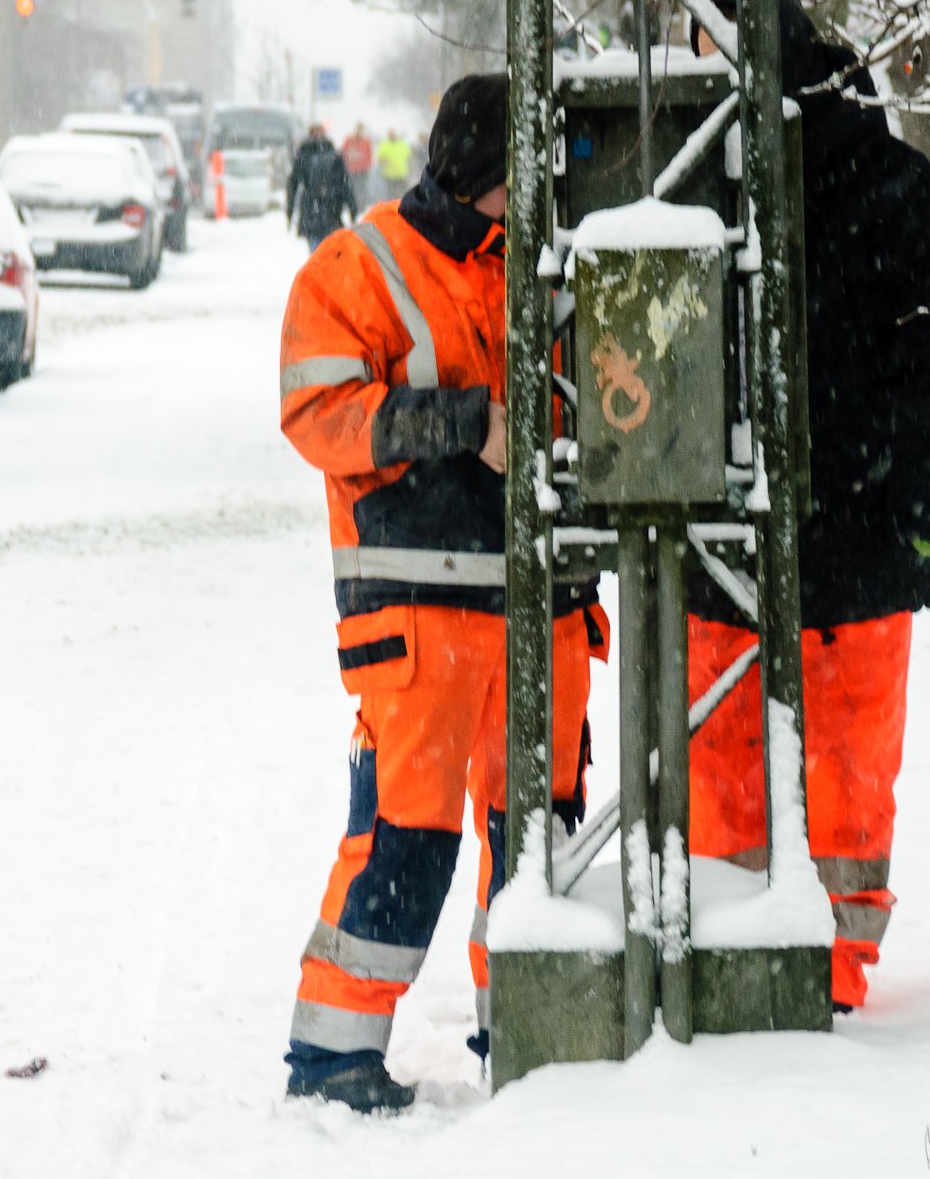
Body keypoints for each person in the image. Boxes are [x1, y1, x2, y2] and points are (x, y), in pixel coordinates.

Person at [277, 75, 605, 1112]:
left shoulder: (547, 272)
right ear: (489, 177)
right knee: (406, 841)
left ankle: (526, 1031)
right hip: (417, 612)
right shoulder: (360, 267)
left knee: (537, 842)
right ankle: (333, 1057)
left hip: (536, 608)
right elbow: (316, 413)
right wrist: (466, 424)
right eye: (527, 181)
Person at [684, 0, 930, 1013]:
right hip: (856, 545)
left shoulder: (689, 181)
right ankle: (833, 977)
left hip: (725, 541)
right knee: (846, 783)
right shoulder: (890, 179)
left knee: (725, 777)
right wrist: (918, 523)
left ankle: (743, 968)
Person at [288, 124, 356, 251]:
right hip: (330, 210)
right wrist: (352, 207)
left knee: (317, 253)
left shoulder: (303, 157)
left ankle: (320, 267)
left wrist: (290, 211)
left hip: (314, 210)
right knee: (330, 253)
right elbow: (345, 184)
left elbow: (293, 185)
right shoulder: (333, 155)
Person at [340, 121, 377, 204]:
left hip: (363, 169)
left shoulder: (366, 141)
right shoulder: (349, 140)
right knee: (352, 188)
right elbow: (343, 152)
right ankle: (353, 203)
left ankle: (361, 204)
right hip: (351, 169)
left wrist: (368, 165)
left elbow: (369, 154)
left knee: (362, 188)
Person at [376, 128, 412, 193]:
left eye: (393, 134)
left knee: (404, 192)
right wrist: (385, 163)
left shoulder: (402, 144)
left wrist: (411, 168)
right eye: (390, 134)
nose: (392, 136)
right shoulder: (384, 145)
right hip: (389, 175)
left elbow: (409, 156)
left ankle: (404, 203)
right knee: (392, 193)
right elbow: (380, 158)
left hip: (402, 173)